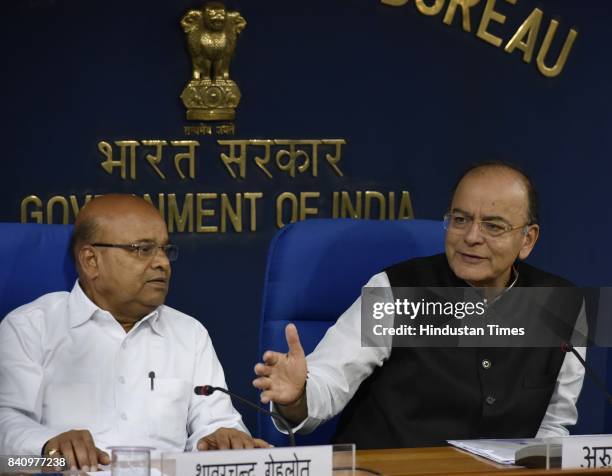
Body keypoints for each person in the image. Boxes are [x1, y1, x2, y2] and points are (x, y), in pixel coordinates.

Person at [253, 162, 586, 448]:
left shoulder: (561, 304)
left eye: (493, 226)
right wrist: (298, 396)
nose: (471, 236)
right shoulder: (395, 292)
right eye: (460, 219)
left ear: (527, 239)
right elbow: (329, 380)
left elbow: (553, 424)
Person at [0, 194, 268, 471]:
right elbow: (5, 435)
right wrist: (48, 448)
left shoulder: (189, 334)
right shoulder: (31, 328)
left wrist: (222, 439)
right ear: (91, 260)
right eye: (142, 249)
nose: (162, 262)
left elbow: (215, 422)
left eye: (165, 249)